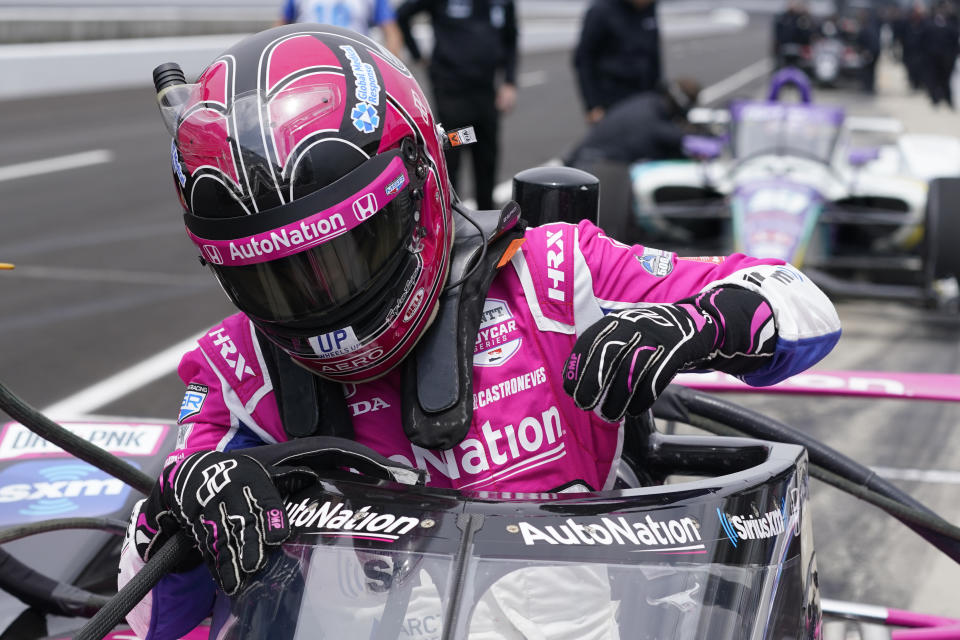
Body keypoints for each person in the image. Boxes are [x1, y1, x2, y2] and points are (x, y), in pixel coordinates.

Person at [118, 24, 842, 640]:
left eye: (342, 258)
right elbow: (150, 614)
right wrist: (180, 511)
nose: (320, 305)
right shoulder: (234, 369)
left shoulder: (553, 274)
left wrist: (701, 322)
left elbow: (797, 298)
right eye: (276, 278)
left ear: (421, 188)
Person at [394, 0, 518, 211]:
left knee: (486, 159)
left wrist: (509, 81)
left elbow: (511, 38)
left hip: (486, 93)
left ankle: (488, 222)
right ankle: (451, 220)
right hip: (452, 94)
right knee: (452, 154)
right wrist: (417, 55)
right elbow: (403, 14)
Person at [565, 78, 707, 167]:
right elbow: (672, 138)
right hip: (591, 165)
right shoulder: (653, 123)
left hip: (585, 159)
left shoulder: (647, 101)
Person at [573, 0, 662, 124]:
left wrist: (658, 94)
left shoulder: (649, 9)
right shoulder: (601, 11)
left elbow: (654, 54)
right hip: (611, 99)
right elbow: (583, 60)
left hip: (644, 97)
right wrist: (593, 105)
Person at [279, 0, 404, 56]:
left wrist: (387, 66)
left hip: (354, 62)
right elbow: (280, 27)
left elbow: (392, 33)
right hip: (307, 58)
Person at [923, 1, 959, 109]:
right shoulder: (929, 24)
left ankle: (948, 100)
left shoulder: (951, 23)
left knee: (946, 79)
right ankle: (935, 99)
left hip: (947, 57)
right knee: (933, 79)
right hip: (932, 57)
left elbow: (955, 41)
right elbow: (924, 40)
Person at [772, 0, 814, 69]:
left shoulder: (802, 19)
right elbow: (778, 36)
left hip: (799, 52)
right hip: (784, 51)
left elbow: (807, 37)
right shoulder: (782, 18)